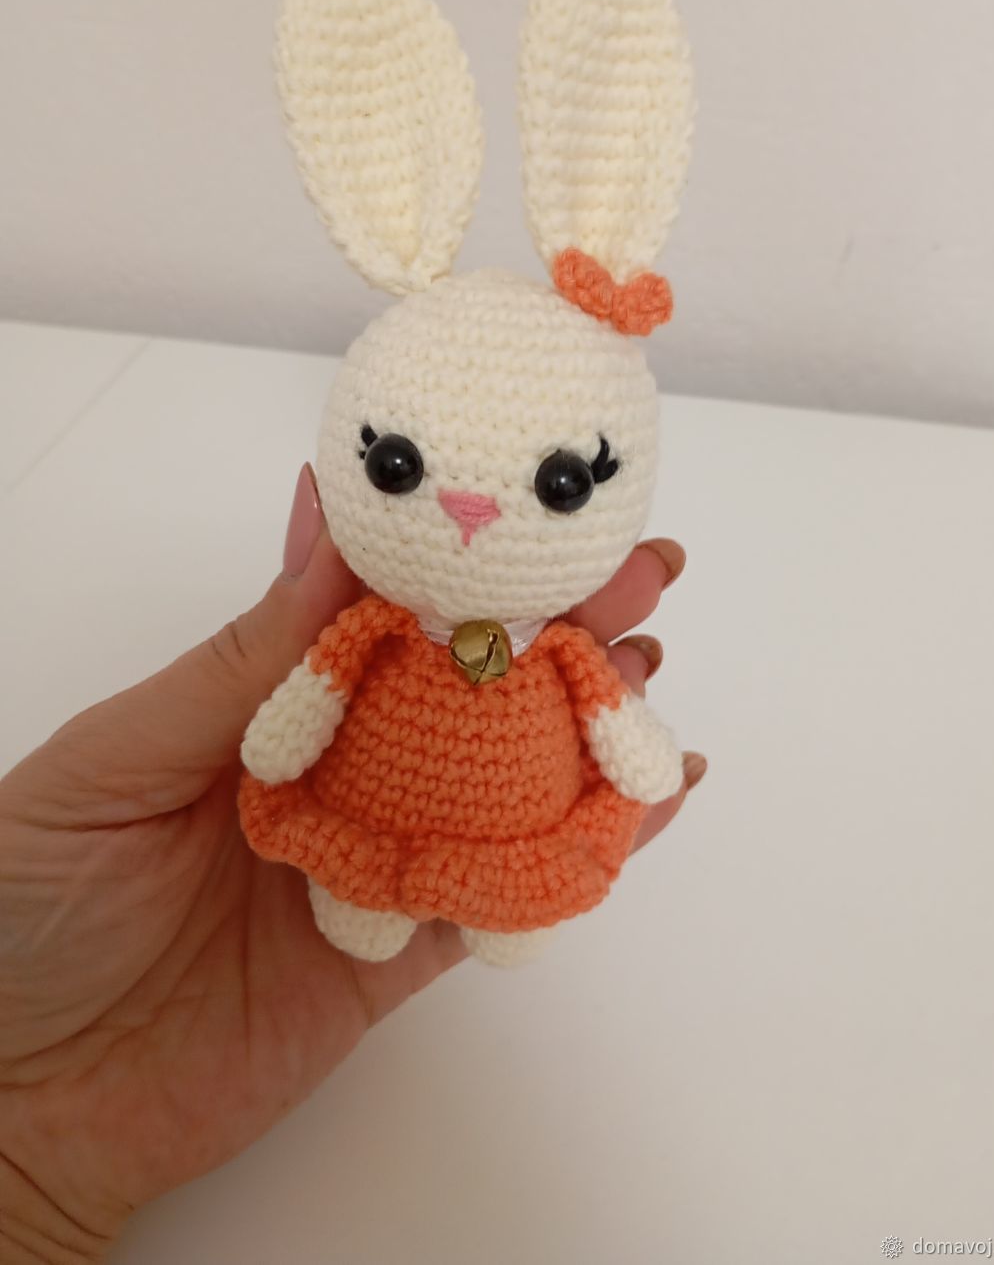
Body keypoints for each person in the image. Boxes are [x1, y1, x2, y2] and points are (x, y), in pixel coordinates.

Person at [0, 468, 705, 1263]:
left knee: (514, 905)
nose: (470, 507)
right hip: (367, 827)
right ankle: (381, 900)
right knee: (358, 893)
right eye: (398, 468)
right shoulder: (373, 633)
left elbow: (610, 713)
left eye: (562, 485)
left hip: (516, 844)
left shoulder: (561, 651)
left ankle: (505, 910)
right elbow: (316, 693)